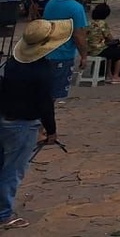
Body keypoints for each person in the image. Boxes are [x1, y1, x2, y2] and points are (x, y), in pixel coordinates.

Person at [0, 18, 71, 229]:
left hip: (5, 118)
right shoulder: (42, 71)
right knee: (13, 170)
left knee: (3, 165)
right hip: (23, 124)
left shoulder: (12, 63)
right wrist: (51, 130)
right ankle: (4, 214)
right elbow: (45, 105)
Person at [40, 0, 89, 101]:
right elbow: (78, 35)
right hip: (63, 54)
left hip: (45, 51)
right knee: (54, 94)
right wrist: (84, 55)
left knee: (44, 91)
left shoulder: (50, 3)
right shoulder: (76, 8)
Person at [86, 3, 120, 84]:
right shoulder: (102, 24)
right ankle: (116, 76)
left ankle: (108, 74)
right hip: (99, 49)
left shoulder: (89, 23)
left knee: (111, 52)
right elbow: (109, 38)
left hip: (89, 49)